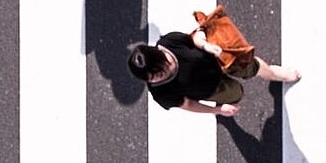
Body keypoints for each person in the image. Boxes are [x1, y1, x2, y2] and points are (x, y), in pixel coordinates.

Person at [128, 23, 299, 117]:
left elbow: (193, 40)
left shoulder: (169, 42)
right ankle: (228, 100)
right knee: (236, 93)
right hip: (212, 90)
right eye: (153, 78)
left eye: (160, 69)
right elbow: (187, 104)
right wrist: (216, 110)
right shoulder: (161, 93)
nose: (159, 77)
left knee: (250, 66)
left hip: (220, 60)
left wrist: (206, 46)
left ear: (159, 53)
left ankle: (274, 74)